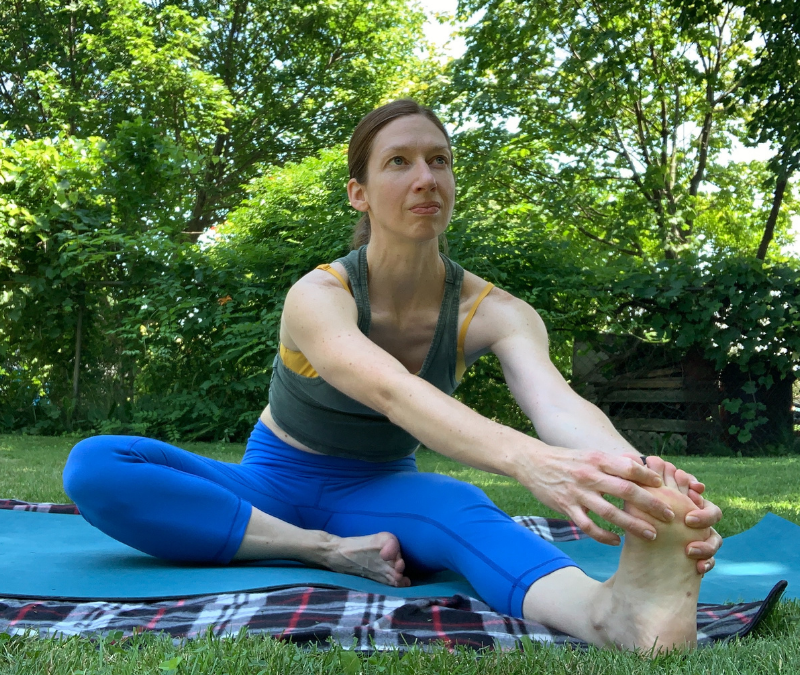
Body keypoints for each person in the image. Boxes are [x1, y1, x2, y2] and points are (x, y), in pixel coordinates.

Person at [63, 99, 722, 652]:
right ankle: (318, 547)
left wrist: (648, 485)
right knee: (96, 465)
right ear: (360, 192)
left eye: (439, 160)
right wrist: (529, 461)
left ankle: (614, 614)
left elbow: (556, 401)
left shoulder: (497, 312)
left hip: (381, 492)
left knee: (463, 510)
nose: (425, 177)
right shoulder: (319, 296)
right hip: (269, 483)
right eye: (399, 162)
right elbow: (390, 390)